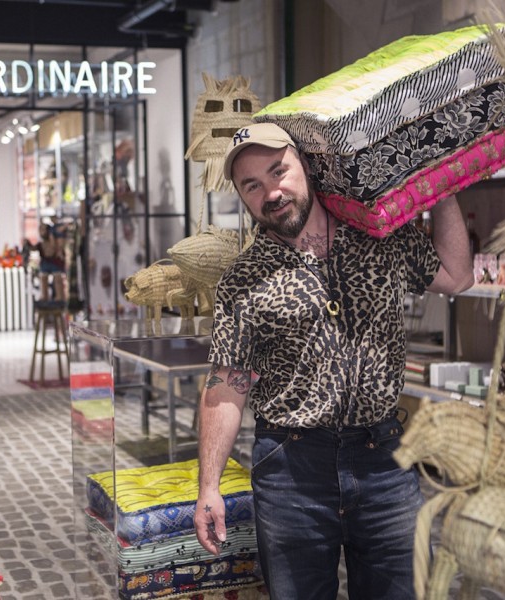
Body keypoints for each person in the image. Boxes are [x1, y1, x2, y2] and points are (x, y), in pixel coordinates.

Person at [193, 122, 474, 599]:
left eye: (278, 171)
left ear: (305, 163)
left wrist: (441, 184)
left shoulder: (379, 235)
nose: (272, 192)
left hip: (384, 461)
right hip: (291, 470)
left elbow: (457, 275)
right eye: (252, 186)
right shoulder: (243, 280)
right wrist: (209, 487)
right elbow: (227, 383)